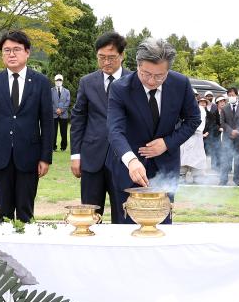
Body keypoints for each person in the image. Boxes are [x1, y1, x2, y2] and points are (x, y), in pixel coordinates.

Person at [107, 37, 200, 224]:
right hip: (128, 170)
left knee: (162, 228)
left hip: (165, 168)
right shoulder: (120, 88)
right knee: (126, 229)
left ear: (168, 70)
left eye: (159, 76)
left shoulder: (180, 84)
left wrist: (167, 143)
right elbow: (114, 130)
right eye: (146, 74)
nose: (152, 81)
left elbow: (193, 119)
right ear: (138, 65)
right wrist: (131, 160)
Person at [0, 30, 54, 224]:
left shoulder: (41, 83)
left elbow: (47, 123)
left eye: (16, 49)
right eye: (6, 50)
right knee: (4, 212)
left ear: (27, 52)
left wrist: (46, 157)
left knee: (26, 212)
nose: (11, 54)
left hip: (29, 155)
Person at [70, 31, 130, 222]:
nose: (106, 62)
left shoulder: (134, 81)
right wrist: (76, 155)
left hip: (123, 160)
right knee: (90, 217)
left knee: (123, 215)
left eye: (111, 58)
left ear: (122, 56)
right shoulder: (87, 82)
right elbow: (78, 118)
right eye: (101, 57)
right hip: (91, 157)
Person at [219, 87, 239, 186]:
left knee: (238, 160)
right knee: (225, 159)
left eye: (233, 95)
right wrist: (231, 131)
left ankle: (238, 180)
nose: (231, 97)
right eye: (229, 95)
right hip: (228, 137)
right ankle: (223, 180)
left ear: (237, 96)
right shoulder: (224, 108)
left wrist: (238, 131)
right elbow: (222, 122)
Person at [180, 96, 209, 182]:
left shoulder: (200, 109)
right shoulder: (181, 107)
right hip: (183, 138)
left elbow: (200, 125)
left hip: (196, 138)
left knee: (197, 158)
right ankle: (181, 175)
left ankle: (197, 176)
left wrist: (188, 130)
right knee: (182, 158)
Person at [52, 74, 71, 151]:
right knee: (53, 132)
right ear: (55, 81)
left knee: (64, 132)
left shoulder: (67, 91)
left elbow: (68, 102)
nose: (58, 82)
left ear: (62, 81)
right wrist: (55, 110)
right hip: (53, 114)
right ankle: (53, 147)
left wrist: (61, 110)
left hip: (64, 115)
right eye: (57, 80)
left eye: (60, 80)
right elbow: (49, 102)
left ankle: (63, 147)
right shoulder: (50, 90)